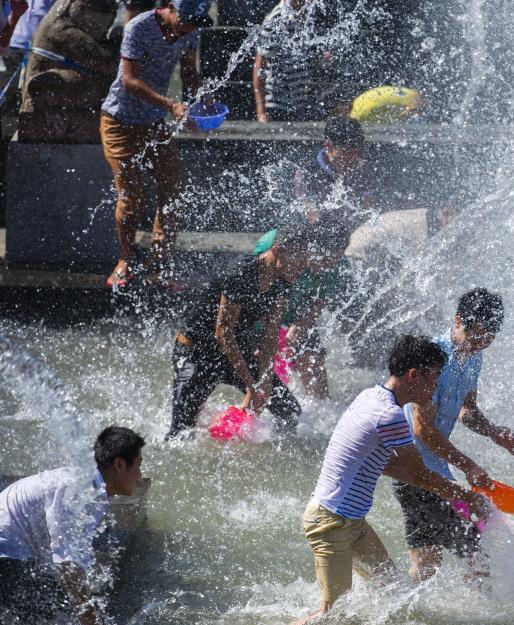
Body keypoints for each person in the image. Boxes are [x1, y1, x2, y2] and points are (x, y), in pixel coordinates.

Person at [296, 335, 490, 620]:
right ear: (414, 375)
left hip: (351, 522)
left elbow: (388, 465)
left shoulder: (370, 397)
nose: (436, 385)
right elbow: (417, 472)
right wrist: (466, 497)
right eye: (435, 376)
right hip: (331, 522)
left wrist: (455, 493)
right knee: (332, 616)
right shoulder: (389, 416)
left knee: (391, 593)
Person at [394, 288, 514, 582]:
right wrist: (469, 466)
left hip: (427, 473)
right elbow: (422, 429)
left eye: (488, 338)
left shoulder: (473, 358)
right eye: (476, 334)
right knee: (478, 557)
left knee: (427, 564)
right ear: (457, 321)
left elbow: (468, 410)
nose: (480, 344)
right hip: (418, 472)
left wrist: (493, 432)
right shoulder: (432, 360)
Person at [166, 222, 341, 439]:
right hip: (196, 353)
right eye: (299, 259)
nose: (302, 267)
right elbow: (224, 332)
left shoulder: (282, 282)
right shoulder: (241, 273)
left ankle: (272, 453)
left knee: (290, 411)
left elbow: (270, 336)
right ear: (277, 251)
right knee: (180, 433)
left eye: (305, 261)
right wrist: (251, 383)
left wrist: (265, 378)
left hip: (235, 352)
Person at [99, 0, 212, 288]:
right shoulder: (139, 27)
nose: (188, 28)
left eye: (195, 23)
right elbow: (128, 80)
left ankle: (157, 268)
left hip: (152, 124)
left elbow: (189, 73)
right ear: (170, 8)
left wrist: (202, 99)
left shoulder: (191, 31)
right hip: (119, 122)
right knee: (132, 198)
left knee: (175, 188)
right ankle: (123, 261)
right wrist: (170, 104)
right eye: (185, 20)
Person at [0, 425, 144, 625]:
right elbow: (66, 563)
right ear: (119, 464)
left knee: (64, 609)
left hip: (16, 555)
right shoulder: (78, 490)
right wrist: (88, 617)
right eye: (138, 465)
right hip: (6, 555)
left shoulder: (93, 490)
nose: (140, 475)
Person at [252, 227, 353, 398]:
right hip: (262, 315)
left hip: (298, 313)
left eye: (339, 255)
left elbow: (318, 303)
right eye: (328, 257)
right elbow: (252, 285)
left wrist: (296, 329)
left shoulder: (338, 266)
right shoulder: (281, 249)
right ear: (312, 249)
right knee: (258, 363)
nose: (332, 262)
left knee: (314, 361)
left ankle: (319, 411)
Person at [253, 0, 355, 123]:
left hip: (303, 102)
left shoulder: (309, 12)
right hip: (280, 104)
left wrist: (320, 58)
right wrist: (261, 112)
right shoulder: (276, 20)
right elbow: (260, 69)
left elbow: (304, 54)